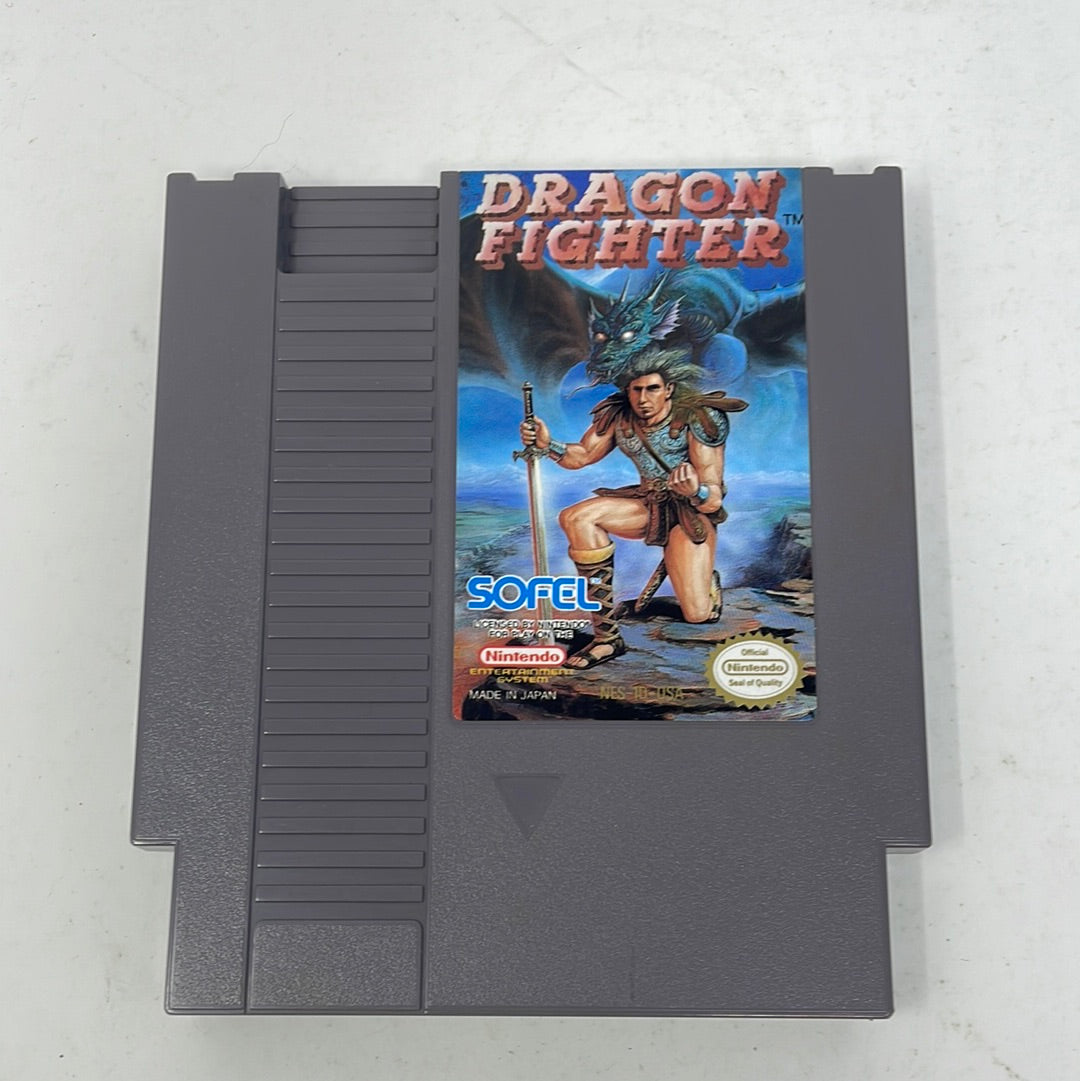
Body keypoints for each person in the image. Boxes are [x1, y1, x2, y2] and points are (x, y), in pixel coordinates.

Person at [520, 361, 747, 669]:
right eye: (636, 389)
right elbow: (582, 455)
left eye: (652, 388)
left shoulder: (698, 418)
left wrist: (695, 490)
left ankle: (707, 583)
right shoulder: (620, 415)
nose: (643, 398)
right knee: (577, 517)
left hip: (689, 512)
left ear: (668, 389)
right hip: (647, 504)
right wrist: (548, 445)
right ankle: (607, 638)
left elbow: (713, 499)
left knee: (697, 614)